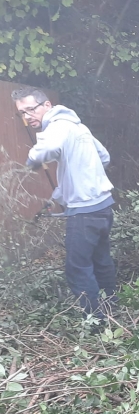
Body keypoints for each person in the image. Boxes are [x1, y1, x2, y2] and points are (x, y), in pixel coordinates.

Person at [13, 87, 117, 320]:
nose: (27, 116)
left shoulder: (57, 127)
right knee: (101, 260)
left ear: (47, 106)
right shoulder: (78, 127)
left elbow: (45, 150)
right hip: (102, 206)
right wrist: (67, 191)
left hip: (85, 212)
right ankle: (112, 306)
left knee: (77, 268)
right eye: (22, 113)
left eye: (31, 109)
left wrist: (31, 161)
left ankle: (95, 321)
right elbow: (104, 157)